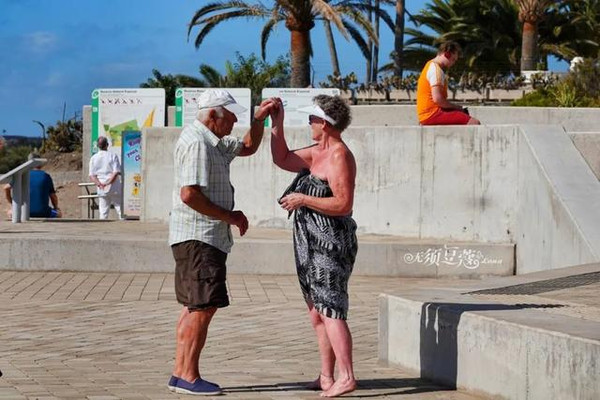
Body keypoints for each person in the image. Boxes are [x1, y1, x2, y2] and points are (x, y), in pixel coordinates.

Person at [168, 89, 278, 395]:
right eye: (230, 116)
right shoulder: (198, 143)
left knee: (195, 306)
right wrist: (230, 216)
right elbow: (189, 195)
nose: (234, 122)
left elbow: (248, 146)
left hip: (200, 238)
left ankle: (179, 373)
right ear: (213, 115)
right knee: (203, 307)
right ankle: (189, 376)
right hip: (200, 237)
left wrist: (259, 120)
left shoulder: (212, 140)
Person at [270, 95, 358, 398]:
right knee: (317, 313)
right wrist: (277, 123)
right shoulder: (317, 151)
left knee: (331, 309)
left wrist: (303, 199)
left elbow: (343, 204)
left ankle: (347, 376)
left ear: (326, 123)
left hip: (331, 243)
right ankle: (326, 376)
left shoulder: (339, 155)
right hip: (308, 243)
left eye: (314, 118)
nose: (310, 122)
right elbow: (282, 158)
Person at [417, 41, 480, 125]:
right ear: (447, 54)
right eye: (453, 59)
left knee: (462, 114)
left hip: (428, 114)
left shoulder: (430, 65)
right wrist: (457, 107)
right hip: (432, 114)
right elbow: (438, 99)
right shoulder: (436, 71)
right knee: (474, 122)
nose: (453, 63)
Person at [4, 153, 62, 219]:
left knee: (10, 212)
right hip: (44, 213)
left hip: (23, 212)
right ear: (40, 163)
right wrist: (56, 207)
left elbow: (6, 188)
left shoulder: (22, 175)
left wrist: (12, 204)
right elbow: (53, 196)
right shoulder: (46, 176)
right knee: (58, 214)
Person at [89, 136, 122, 219]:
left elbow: (92, 175)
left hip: (101, 188)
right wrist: (109, 183)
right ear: (107, 144)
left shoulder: (93, 158)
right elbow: (116, 172)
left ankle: (102, 226)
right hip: (114, 187)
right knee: (120, 210)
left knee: (103, 213)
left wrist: (100, 184)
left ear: (98, 146)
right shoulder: (113, 156)